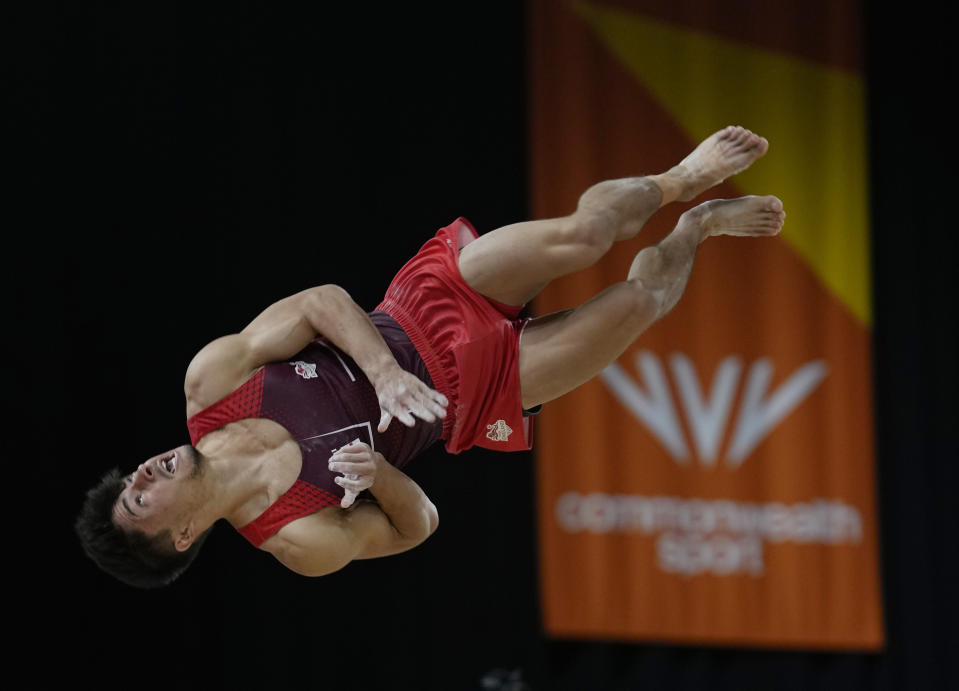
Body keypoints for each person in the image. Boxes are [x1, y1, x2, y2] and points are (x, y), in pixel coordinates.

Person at [75, 126, 785, 588]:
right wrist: (380, 472)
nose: (142, 470)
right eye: (141, 496)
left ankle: (678, 181)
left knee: (586, 233)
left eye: (130, 476)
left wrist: (383, 372)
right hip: (471, 397)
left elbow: (320, 299)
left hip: (423, 307)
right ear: (183, 533)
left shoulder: (210, 383)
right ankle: (696, 227)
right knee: (636, 307)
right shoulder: (298, 538)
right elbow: (419, 525)